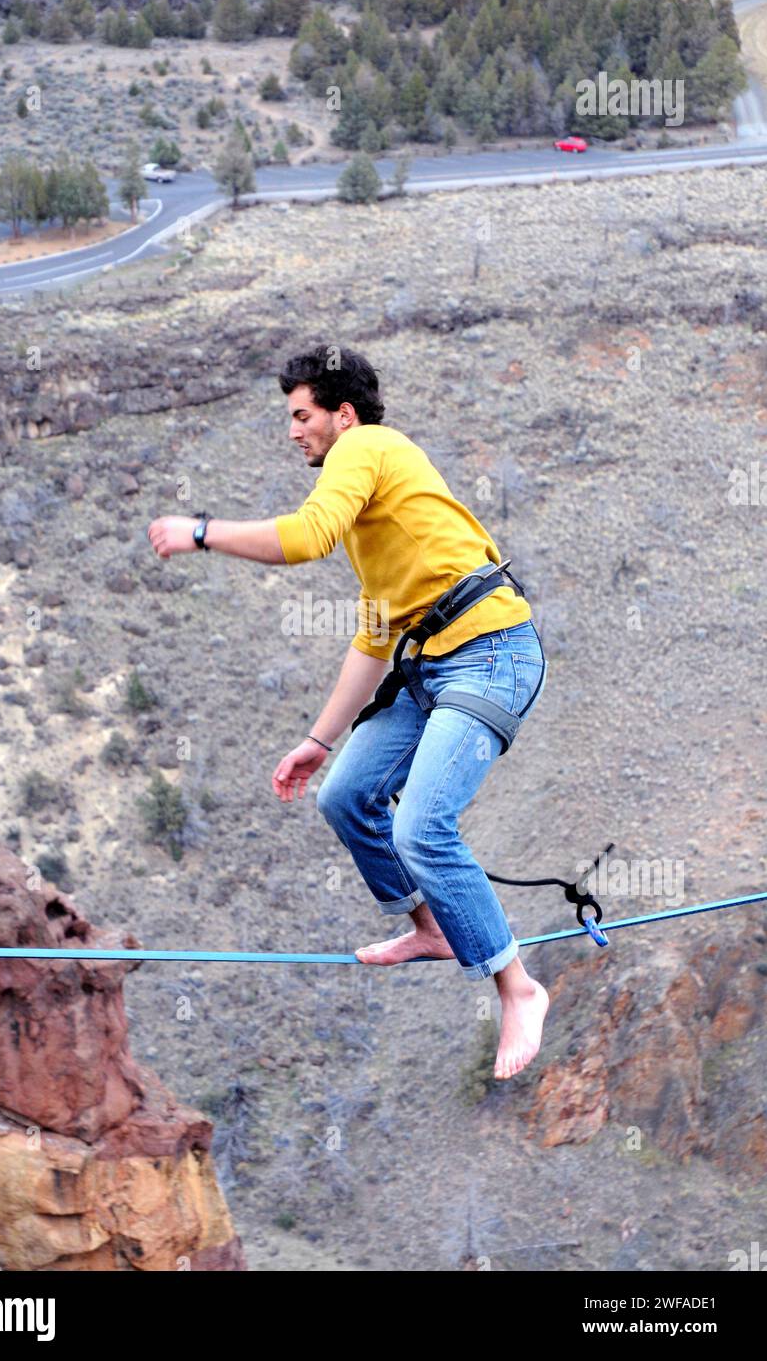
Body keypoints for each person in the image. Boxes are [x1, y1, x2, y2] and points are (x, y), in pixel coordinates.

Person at [148, 345, 549, 1079]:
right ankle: (429, 927)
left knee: (420, 826)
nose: (293, 431)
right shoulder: (374, 526)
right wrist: (316, 741)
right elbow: (372, 642)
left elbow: (304, 538)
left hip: (493, 651)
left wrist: (201, 532)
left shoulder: (365, 446)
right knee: (343, 794)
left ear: (342, 413)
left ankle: (518, 989)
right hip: (432, 665)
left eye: (302, 416)